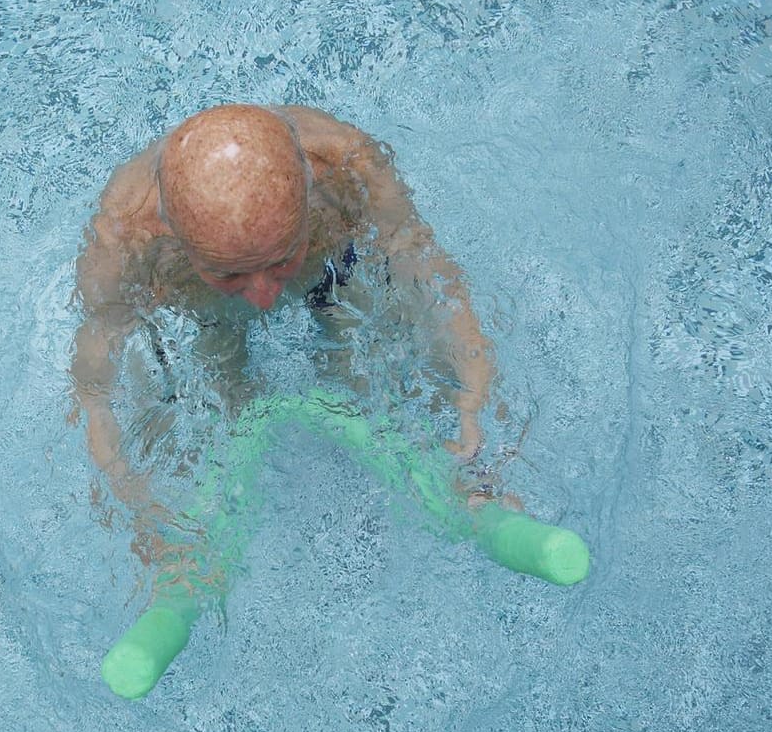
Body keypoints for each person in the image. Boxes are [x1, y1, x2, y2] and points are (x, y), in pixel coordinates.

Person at [69, 104, 497, 559]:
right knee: (216, 417)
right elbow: (95, 391)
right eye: (231, 274)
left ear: (310, 188)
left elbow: (431, 279)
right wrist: (141, 511)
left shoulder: (349, 167)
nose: (264, 297)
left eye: (280, 264)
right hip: (210, 313)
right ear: (172, 234)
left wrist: (472, 404)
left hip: (326, 275)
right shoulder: (125, 239)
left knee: (362, 369)